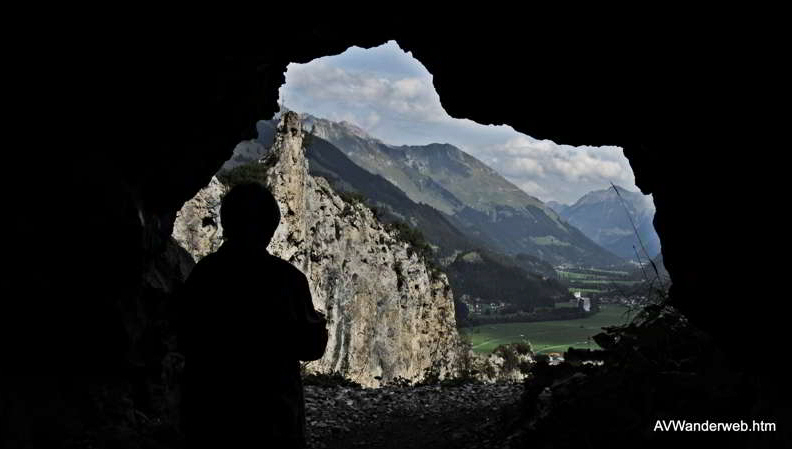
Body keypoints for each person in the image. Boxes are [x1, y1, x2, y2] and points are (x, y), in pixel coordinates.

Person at [174, 182, 328, 448]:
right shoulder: (288, 280)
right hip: (272, 417)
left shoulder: (204, 275)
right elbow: (311, 347)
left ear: (226, 222)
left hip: (210, 415)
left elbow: (183, 337)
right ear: (271, 227)